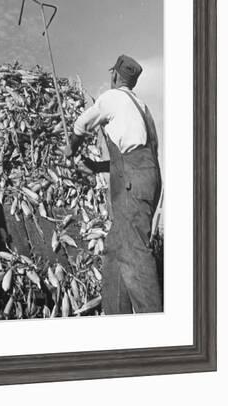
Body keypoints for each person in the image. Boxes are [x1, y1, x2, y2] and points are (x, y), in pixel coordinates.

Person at [64, 54, 163, 314]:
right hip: (144, 179)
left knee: (134, 253)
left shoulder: (112, 98)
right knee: (114, 250)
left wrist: (70, 149)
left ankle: (152, 325)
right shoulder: (142, 108)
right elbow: (133, 158)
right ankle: (116, 317)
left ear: (115, 76)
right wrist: (96, 167)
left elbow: (81, 124)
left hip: (133, 182)